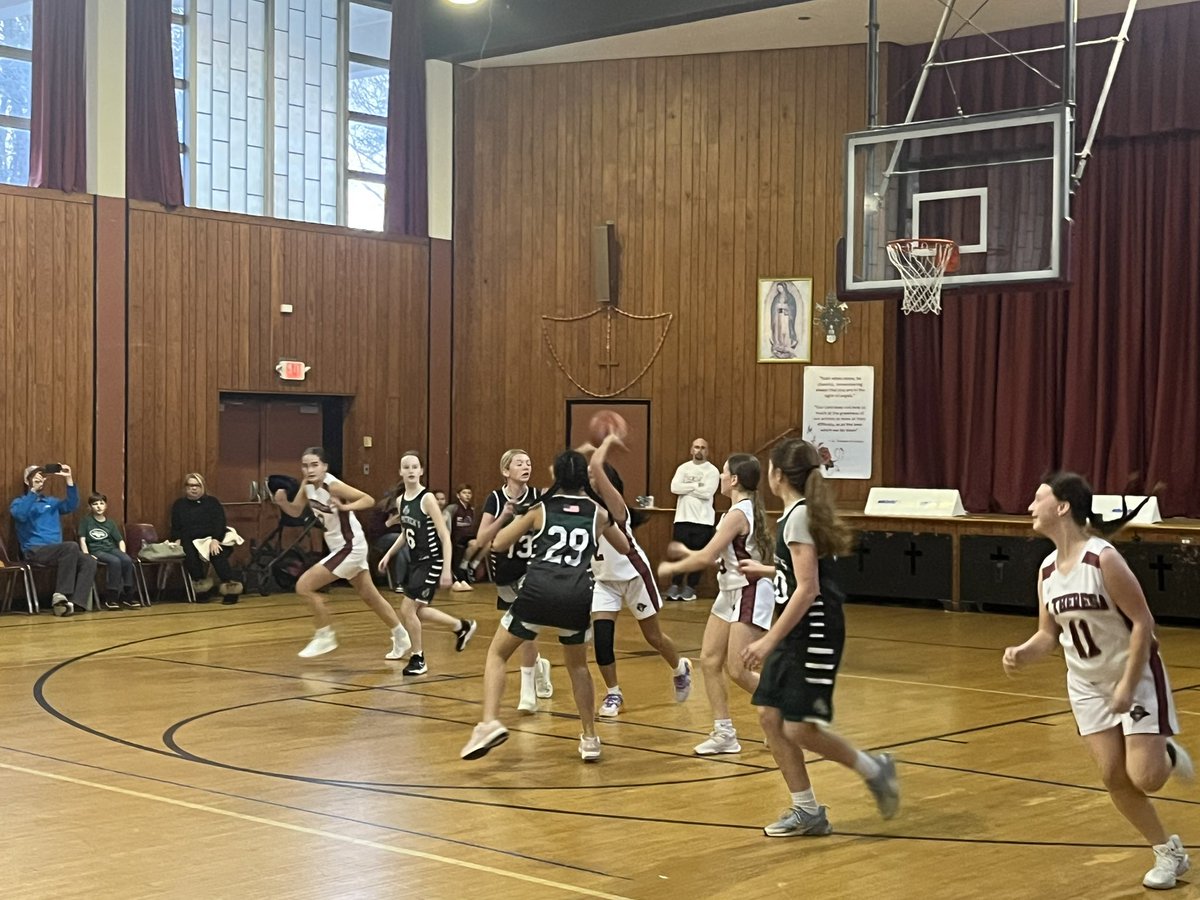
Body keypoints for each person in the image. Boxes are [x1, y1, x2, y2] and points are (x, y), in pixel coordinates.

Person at [1003, 473, 1193, 889]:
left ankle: (1163, 752)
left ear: (1064, 506)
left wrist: (1127, 683)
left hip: (1135, 675)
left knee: (1146, 777)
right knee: (1113, 776)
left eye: (1039, 499)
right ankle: (1168, 852)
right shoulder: (1047, 570)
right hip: (1086, 685)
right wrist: (1022, 652)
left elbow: (1144, 623)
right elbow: (1048, 636)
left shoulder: (1102, 558)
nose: (1031, 507)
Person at [739, 439, 899, 837]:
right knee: (769, 716)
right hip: (799, 630)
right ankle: (807, 809)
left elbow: (808, 589)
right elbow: (799, 577)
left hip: (813, 633)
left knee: (797, 729)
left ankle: (873, 769)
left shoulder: (797, 518)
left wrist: (766, 641)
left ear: (777, 475)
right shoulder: (798, 514)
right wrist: (766, 570)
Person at [461, 449, 630, 762]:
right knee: (578, 667)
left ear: (557, 477)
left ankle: (488, 722)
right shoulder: (597, 512)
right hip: (577, 595)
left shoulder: (540, 508)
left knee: (497, 653)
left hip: (538, 591)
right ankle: (590, 738)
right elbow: (624, 546)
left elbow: (497, 544)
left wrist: (512, 516)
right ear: (582, 477)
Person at [658, 453, 772, 753]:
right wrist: (687, 552)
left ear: (734, 480)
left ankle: (782, 703)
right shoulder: (734, 512)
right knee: (709, 660)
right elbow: (719, 558)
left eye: (723, 473)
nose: (720, 477)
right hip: (729, 591)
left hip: (749, 591)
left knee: (738, 670)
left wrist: (673, 566)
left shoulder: (737, 514)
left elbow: (706, 556)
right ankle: (725, 733)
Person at [274, 447, 417, 661]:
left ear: (324, 467)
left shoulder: (333, 485)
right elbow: (296, 511)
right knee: (371, 597)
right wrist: (283, 503)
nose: (309, 469)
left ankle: (325, 634)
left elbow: (368, 500)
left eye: (314, 465)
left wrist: (344, 506)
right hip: (339, 547)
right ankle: (400, 634)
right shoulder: (306, 485)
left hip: (351, 546)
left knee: (303, 586)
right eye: (305, 465)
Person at [586, 434, 692, 717]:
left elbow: (596, 465)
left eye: (592, 475)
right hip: (603, 581)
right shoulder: (584, 507)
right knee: (602, 641)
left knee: (654, 637)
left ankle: (680, 668)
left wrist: (606, 441)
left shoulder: (617, 508)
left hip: (634, 576)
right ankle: (613, 694)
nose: (589, 477)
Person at [457, 449, 554, 710]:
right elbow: (481, 539)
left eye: (529, 462)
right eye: (519, 463)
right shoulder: (496, 499)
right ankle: (540, 666)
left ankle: (527, 692)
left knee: (527, 630)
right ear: (505, 470)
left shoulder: (539, 497)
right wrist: (504, 517)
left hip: (532, 573)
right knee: (521, 634)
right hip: (504, 575)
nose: (526, 466)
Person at [378, 452, 477, 676]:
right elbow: (405, 532)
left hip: (431, 561)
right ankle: (462, 627)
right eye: (407, 467)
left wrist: (445, 570)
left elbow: (444, 534)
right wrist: (389, 554)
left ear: (421, 471)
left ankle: (418, 658)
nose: (411, 470)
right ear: (400, 472)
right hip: (416, 562)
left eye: (415, 466)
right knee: (419, 612)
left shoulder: (427, 499)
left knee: (407, 609)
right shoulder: (401, 500)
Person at [9, 464, 95, 616]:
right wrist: (33, 492)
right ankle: (61, 595)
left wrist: (69, 479)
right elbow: (20, 515)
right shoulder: (19, 502)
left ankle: (75, 604)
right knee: (70, 547)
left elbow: (71, 505)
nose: (39, 479)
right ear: (27, 480)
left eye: (41, 476)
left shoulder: (51, 502)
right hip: (34, 550)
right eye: (34, 477)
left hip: (58, 551)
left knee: (88, 560)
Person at [170, 473, 243, 604]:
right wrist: (176, 539)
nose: (194, 488)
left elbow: (220, 523)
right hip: (190, 539)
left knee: (217, 553)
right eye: (191, 485)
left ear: (202, 487)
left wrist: (215, 539)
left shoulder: (212, 503)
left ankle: (230, 588)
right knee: (189, 554)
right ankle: (201, 589)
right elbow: (176, 526)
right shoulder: (179, 505)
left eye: (197, 485)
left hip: (212, 537)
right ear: (185, 487)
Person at [666, 438, 720, 601]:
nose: (699, 450)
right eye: (696, 447)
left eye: (703, 448)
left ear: (707, 451)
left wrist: (687, 488)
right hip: (682, 519)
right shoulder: (683, 468)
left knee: (698, 557)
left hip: (703, 522)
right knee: (679, 555)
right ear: (691, 450)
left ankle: (690, 588)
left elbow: (707, 493)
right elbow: (674, 488)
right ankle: (675, 586)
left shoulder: (712, 471)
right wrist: (697, 486)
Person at [79, 492, 138, 609]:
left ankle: (128, 594)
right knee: (115, 562)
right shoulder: (86, 521)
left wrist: (123, 552)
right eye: (95, 504)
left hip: (111, 548)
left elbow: (120, 541)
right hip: (96, 550)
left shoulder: (110, 522)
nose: (99, 506)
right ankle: (112, 597)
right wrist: (86, 555)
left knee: (126, 560)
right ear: (90, 507)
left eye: (101, 503)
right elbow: (82, 539)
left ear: (106, 506)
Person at [373, 475, 410, 592]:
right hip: (380, 540)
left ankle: (400, 582)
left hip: (404, 540)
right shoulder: (384, 506)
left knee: (402, 546)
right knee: (401, 540)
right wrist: (390, 523)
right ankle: (404, 580)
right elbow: (373, 531)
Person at [444, 483, 477, 593]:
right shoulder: (453, 508)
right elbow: (446, 522)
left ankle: (470, 565)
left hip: (469, 537)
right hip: (456, 538)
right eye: (464, 493)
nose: (467, 495)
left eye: (469, 493)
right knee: (466, 547)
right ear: (458, 495)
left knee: (486, 543)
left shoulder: (471, 509)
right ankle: (460, 575)